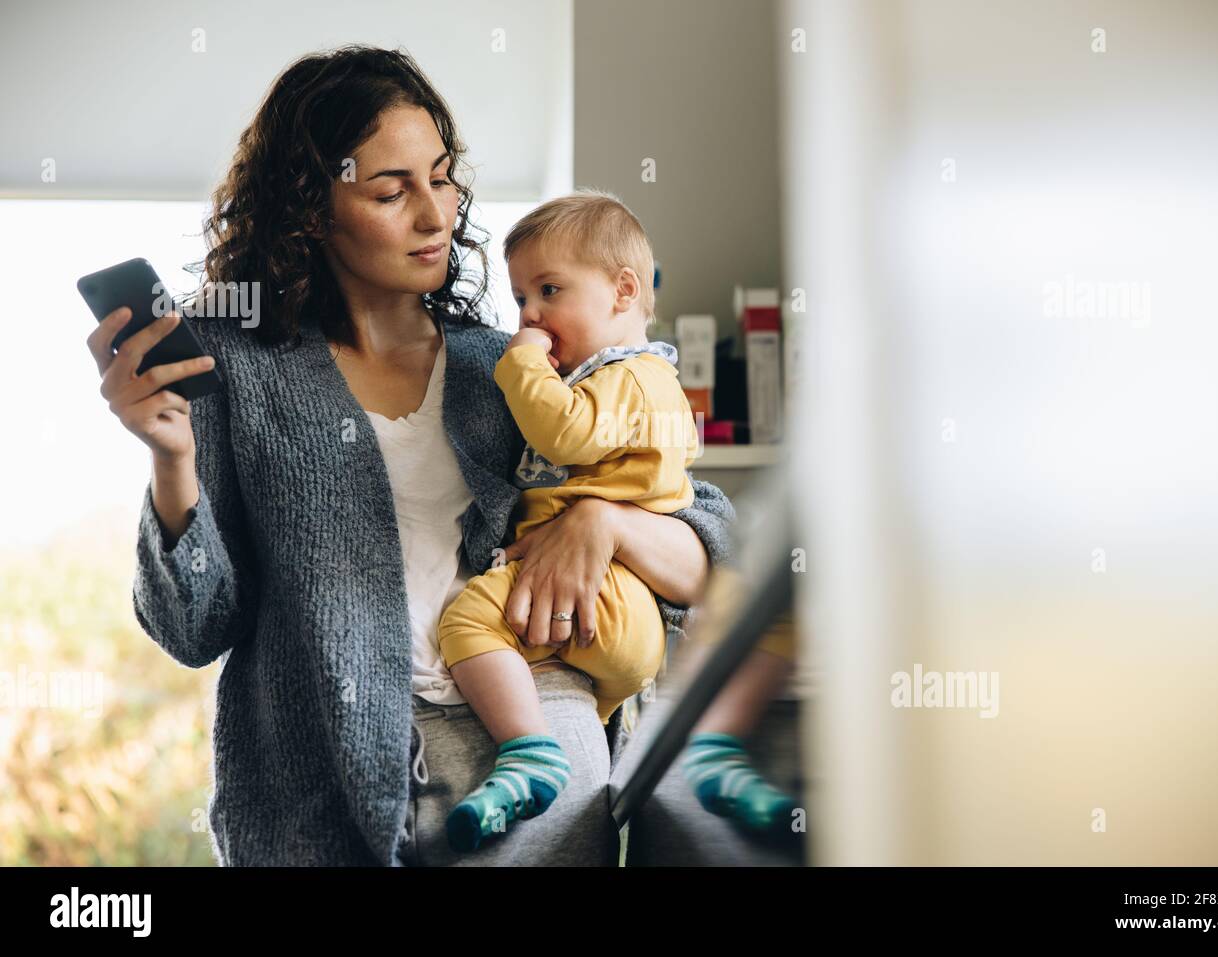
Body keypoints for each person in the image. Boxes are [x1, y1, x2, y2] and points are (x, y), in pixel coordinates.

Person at [84, 45, 733, 866]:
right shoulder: (238, 370)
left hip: (536, 758)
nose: (436, 214)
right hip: (316, 802)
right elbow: (194, 626)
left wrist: (604, 521)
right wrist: (171, 458)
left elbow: (709, 548)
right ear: (309, 211)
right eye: (391, 190)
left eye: (443, 176)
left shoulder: (511, 364)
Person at [435, 191, 700, 851]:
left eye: (550, 290)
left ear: (623, 291)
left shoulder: (630, 378)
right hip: (614, 616)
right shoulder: (629, 378)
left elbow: (566, 434)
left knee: (466, 619)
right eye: (522, 297)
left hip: (604, 591)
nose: (530, 315)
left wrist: (521, 360)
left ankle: (529, 753)